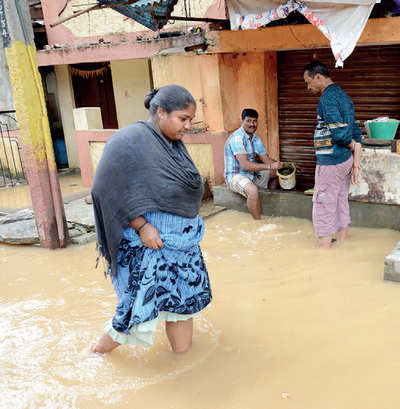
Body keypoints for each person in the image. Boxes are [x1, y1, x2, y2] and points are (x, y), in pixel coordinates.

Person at [90, 85, 212, 355]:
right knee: (133, 313)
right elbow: (105, 188)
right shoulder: (129, 140)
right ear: (160, 112)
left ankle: (184, 365)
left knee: (183, 307)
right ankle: (94, 356)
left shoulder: (172, 145)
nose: (188, 126)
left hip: (182, 246)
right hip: (151, 246)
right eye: (183, 118)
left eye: (190, 119)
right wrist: (142, 226)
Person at [303, 60, 362, 248]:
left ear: (318, 77)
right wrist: (356, 154)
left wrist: (353, 145)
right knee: (339, 200)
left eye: (308, 82)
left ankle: (324, 251)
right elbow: (354, 128)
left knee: (323, 204)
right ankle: (342, 243)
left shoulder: (327, 98)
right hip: (344, 161)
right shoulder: (344, 97)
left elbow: (339, 133)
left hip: (331, 161)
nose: (308, 87)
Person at [224, 108, 283, 219]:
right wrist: (270, 166)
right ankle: (258, 223)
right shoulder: (238, 138)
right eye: (248, 121)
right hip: (236, 176)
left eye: (255, 121)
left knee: (278, 173)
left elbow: (266, 159)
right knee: (253, 190)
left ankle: (268, 203)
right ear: (242, 121)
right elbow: (245, 165)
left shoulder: (256, 139)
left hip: (252, 175)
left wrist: (286, 166)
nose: (252, 124)